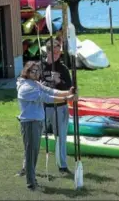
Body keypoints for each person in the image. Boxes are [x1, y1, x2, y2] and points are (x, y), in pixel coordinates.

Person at [16, 61, 75, 191]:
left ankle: (32, 179)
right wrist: (68, 99)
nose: (37, 73)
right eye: (33, 71)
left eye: (38, 70)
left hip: (36, 122)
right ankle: (31, 183)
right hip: (30, 123)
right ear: (27, 72)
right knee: (31, 153)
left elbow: (50, 90)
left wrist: (67, 92)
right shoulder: (25, 87)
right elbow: (46, 98)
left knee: (34, 152)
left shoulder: (35, 83)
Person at [41, 39, 73, 174]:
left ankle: (62, 165)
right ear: (47, 51)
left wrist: (59, 81)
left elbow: (70, 88)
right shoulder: (39, 66)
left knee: (60, 137)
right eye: (54, 52)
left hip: (59, 107)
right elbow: (29, 84)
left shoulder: (63, 68)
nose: (57, 55)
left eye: (58, 52)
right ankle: (28, 166)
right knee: (34, 136)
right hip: (42, 106)